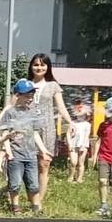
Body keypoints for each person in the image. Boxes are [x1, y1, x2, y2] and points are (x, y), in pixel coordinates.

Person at [0, 79, 51, 215]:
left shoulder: (32, 113)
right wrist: (8, 152)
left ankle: (35, 206)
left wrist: (43, 150)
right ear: (17, 95)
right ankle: (15, 206)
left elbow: (35, 134)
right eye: (27, 96)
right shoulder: (10, 113)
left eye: (31, 96)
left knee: (33, 184)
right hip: (16, 155)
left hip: (31, 155)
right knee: (15, 183)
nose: (30, 99)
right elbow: (5, 134)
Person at [25, 54, 71, 205]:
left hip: (47, 129)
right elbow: (13, 104)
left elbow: (61, 106)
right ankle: (16, 192)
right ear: (31, 66)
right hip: (27, 129)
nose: (39, 68)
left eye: (43, 65)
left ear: (48, 67)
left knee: (43, 164)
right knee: (26, 164)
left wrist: (71, 122)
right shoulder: (25, 84)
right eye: (36, 65)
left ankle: (38, 201)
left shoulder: (53, 85)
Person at [67, 102, 92, 183]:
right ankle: (71, 177)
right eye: (79, 113)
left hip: (83, 145)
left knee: (81, 163)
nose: (80, 115)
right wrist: (70, 144)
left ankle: (79, 178)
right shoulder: (72, 123)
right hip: (73, 144)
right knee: (73, 162)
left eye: (82, 114)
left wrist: (84, 145)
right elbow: (68, 134)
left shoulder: (87, 124)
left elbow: (87, 135)